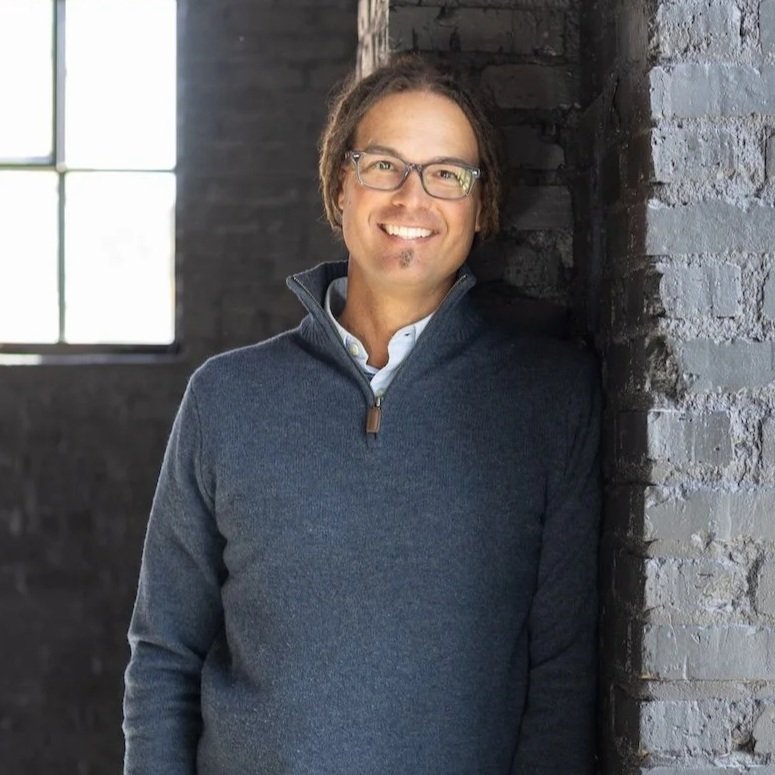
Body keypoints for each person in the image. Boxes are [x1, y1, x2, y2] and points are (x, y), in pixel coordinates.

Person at [123, 54, 601, 774]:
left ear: (481, 205)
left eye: (446, 174)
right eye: (383, 165)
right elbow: (164, 655)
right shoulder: (226, 398)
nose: (412, 200)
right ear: (339, 184)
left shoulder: (549, 400)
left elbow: (560, 676)